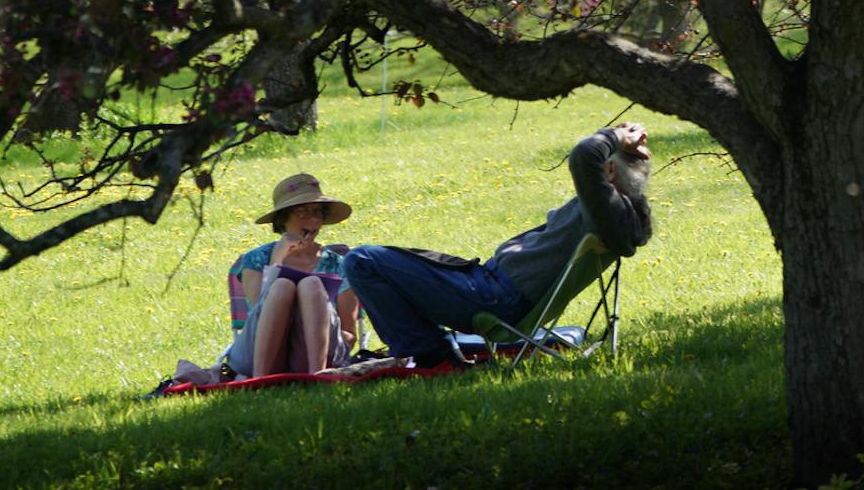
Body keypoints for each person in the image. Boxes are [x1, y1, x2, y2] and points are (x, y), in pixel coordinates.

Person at [343, 123, 653, 370]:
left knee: (361, 260)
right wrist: (622, 136)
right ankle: (430, 350)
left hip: (494, 298)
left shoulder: (608, 209)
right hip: (491, 288)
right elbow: (590, 157)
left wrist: (616, 136)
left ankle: (431, 356)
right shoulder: (618, 216)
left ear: (609, 171)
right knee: (385, 261)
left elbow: (584, 155)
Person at [167, 172, 360, 387]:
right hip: (261, 351)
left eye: (317, 212)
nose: (313, 219)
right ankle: (260, 380)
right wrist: (278, 259)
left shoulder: (338, 264)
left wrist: (317, 321)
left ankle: (319, 376)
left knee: (312, 284)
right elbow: (258, 310)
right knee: (282, 286)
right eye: (302, 212)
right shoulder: (256, 259)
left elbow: (349, 334)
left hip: (316, 353)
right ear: (283, 219)